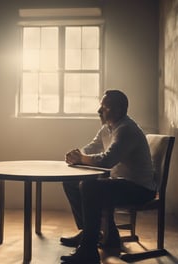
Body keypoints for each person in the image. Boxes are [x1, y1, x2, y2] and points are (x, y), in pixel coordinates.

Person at [60, 90, 156, 264]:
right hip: (121, 183)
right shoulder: (108, 127)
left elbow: (107, 161)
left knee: (90, 187)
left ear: (119, 110)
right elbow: (91, 148)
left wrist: (81, 159)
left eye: (105, 107)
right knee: (71, 181)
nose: (99, 110)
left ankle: (89, 251)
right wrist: (77, 154)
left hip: (139, 188)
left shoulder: (127, 129)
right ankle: (92, 233)